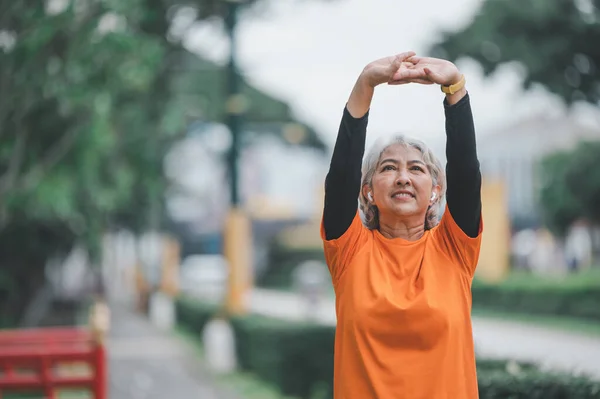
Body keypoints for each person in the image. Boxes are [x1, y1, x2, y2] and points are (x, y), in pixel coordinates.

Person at [321, 51, 483, 399]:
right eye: (388, 168)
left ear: (436, 191)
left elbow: (467, 173)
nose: (403, 178)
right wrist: (366, 82)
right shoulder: (348, 250)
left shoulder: (454, 249)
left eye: (417, 168)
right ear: (367, 190)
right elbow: (340, 177)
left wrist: (454, 89)